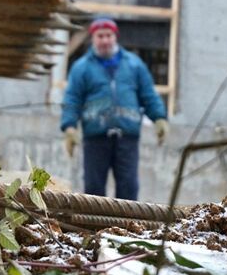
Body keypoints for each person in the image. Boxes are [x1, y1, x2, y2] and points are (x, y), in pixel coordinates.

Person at [61, 17, 169, 200]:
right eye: (100, 36)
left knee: (128, 188)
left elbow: (148, 94)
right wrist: (69, 126)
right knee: (93, 189)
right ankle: (93, 227)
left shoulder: (134, 64)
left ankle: (127, 227)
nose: (104, 40)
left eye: (108, 35)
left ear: (115, 37)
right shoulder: (82, 68)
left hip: (127, 136)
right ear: (93, 39)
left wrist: (159, 118)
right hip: (95, 137)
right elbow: (72, 99)